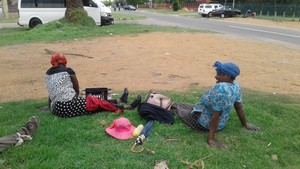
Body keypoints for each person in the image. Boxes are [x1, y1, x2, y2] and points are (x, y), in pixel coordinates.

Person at [173, 61, 260, 148]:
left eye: (219, 74)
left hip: (203, 123)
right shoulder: (236, 86)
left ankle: (169, 106)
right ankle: (175, 106)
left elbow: (216, 115)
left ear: (227, 76)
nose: (216, 76)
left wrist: (211, 139)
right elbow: (239, 107)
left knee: (178, 108)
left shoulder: (221, 88)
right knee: (183, 105)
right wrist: (245, 124)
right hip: (221, 122)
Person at [44, 53, 141, 118]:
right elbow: (76, 89)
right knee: (96, 104)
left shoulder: (47, 74)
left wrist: (50, 108)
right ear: (63, 62)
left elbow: (51, 94)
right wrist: (77, 100)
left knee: (92, 100)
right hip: (66, 106)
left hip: (55, 109)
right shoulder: (68, 71)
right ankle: (127, 107)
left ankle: (119, 100)